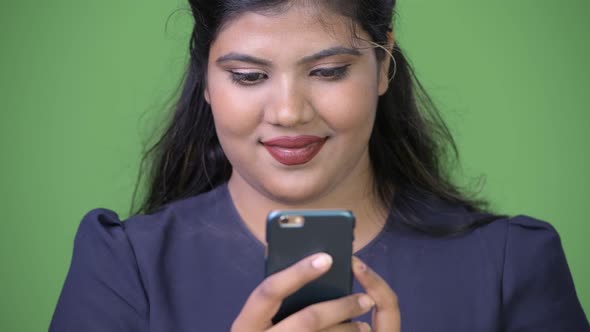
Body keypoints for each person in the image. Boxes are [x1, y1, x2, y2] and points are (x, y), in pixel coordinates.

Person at [49, 0, 589, 331]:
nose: (289, 112)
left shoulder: (510, 264)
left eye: (328, 71)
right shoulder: (124, 267)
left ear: (383, 65)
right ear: (206, 78)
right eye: (248, 76)